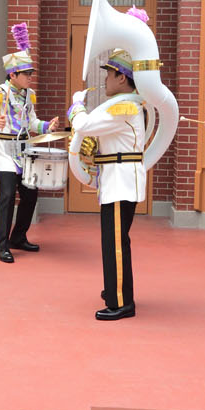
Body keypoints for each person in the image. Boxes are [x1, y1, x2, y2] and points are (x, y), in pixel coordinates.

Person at [68, 43, 147, 321]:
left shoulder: (125, 106)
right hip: (117, 180)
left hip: (120, 182)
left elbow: (84, 125)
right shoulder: (126, 105)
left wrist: (76, 107)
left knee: (114, 243)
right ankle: (116, 290)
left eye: (109, 74)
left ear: (121, 77)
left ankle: (122, 302)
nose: (105, 79)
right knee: (115, 241)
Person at [0, 23, 61, 263]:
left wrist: (46, 127)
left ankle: (18, 237)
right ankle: (2, 246)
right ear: (13, 75)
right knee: (8, 195)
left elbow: (31, 122)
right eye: (27, 74)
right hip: (3, 150)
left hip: (24, 150)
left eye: (31, 74)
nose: (31, 77)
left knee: (31, 194)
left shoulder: (27, 97)